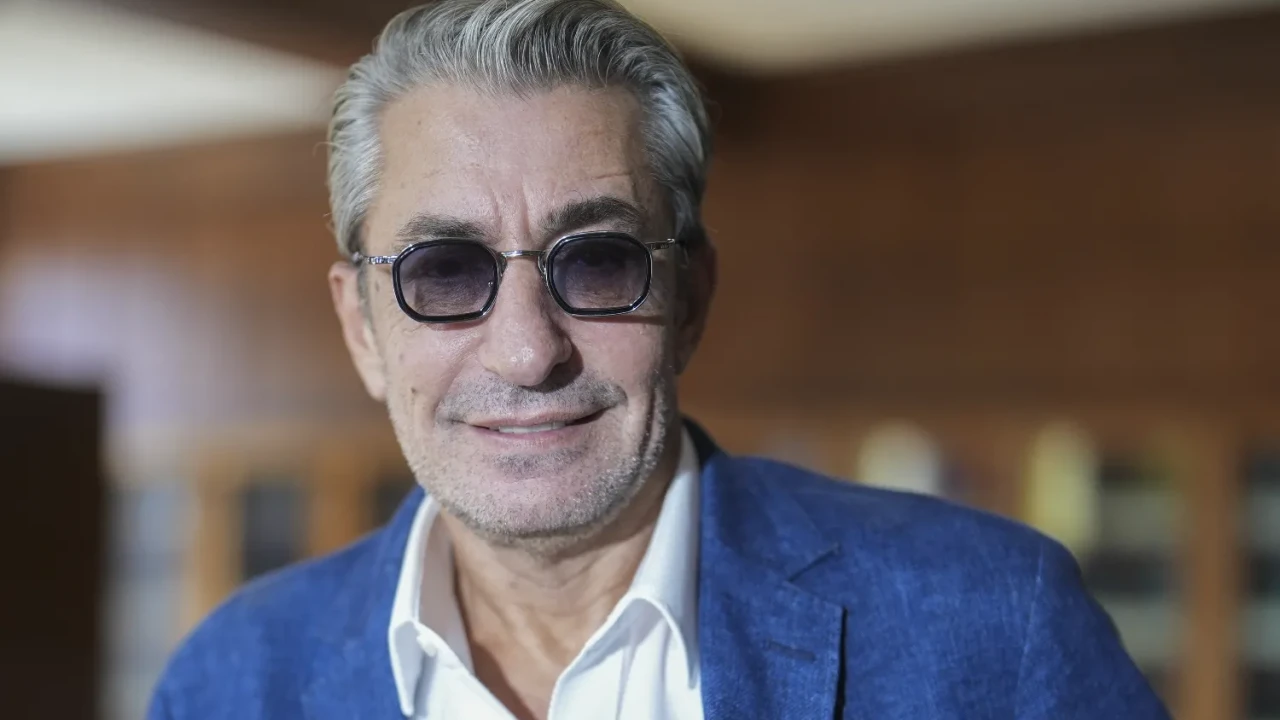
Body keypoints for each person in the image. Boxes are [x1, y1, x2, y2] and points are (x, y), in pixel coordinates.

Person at [148, 1, 1171, 718]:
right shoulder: (230, 682)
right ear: (363, 329)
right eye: (445, 272)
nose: (527, 349)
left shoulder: (992, 624)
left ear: (690, 299)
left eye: (596, 261)